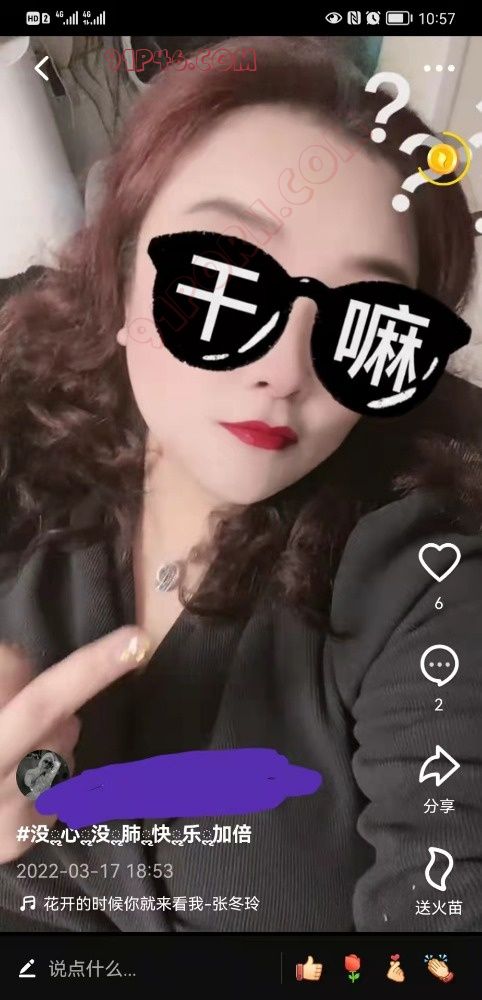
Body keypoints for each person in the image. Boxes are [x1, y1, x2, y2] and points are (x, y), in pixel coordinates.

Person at [0, 35, 481, 933]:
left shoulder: (426, 576)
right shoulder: (19, 412)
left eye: (364, 322)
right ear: (121, 273)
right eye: (222, 279)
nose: (284, 370)